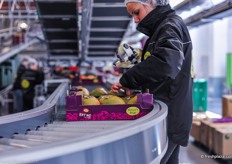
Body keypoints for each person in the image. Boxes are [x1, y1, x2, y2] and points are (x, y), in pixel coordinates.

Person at [111, 0, 193, 163]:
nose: (135, 19)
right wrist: (136, 87)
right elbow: (163, 75)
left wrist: (129, 79)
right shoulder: (163, 29)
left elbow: (166, 64)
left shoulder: (169, 26)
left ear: (151, 3)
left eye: (136, 12)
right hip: (170, 113)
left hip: (170, 116)